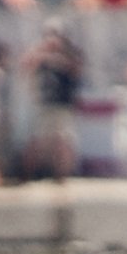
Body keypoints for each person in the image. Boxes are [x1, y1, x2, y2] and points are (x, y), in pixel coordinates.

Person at [25, 22, 84, 181]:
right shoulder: (41, 53)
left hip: (63, 104)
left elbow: (76, 69)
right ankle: (26, 175)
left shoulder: (71, 53)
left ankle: (61, 177)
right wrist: (43, 52)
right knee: (37, 141)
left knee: (63, 142)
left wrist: (58, 59)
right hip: (45, 103)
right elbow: (27, 65)